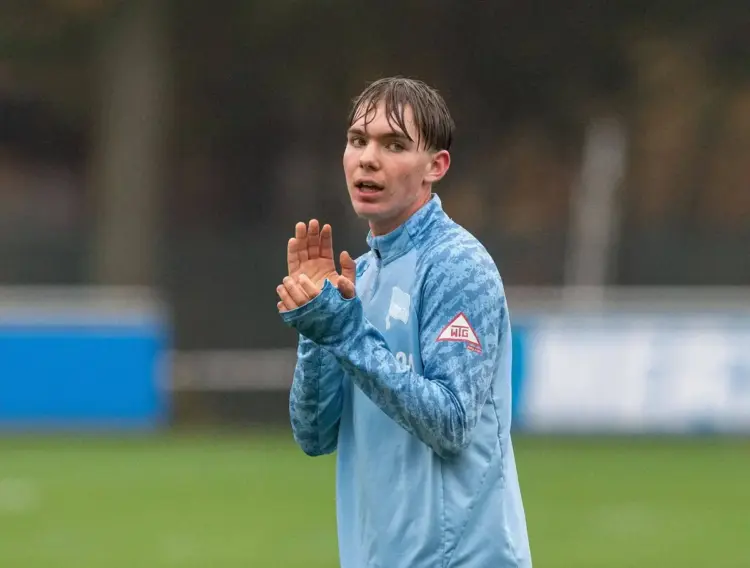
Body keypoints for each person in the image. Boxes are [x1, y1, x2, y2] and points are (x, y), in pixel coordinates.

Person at [275, 77, 532, 568]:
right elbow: (313, 435)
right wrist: (317, 329)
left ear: (436, 165)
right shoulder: (362, 277)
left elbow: (452, 423)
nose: (368, 159)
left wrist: (344, 332)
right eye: (358, 140)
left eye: (393, 145)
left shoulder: (457, 264)